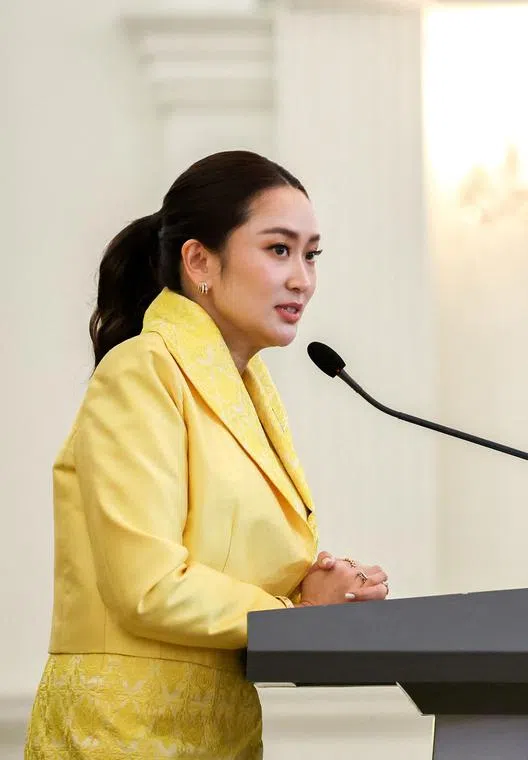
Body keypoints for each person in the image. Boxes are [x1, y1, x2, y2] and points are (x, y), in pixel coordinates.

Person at [23, 150, 389, 759]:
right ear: (199, 261)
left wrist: (318, 588)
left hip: (219, 727)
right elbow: (148, 586)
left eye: (311, 254)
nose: (302, 277)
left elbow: (219, 558)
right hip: (122, 734)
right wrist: (293, 615)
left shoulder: (248, 385)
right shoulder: (142, 371)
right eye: (279, 249)